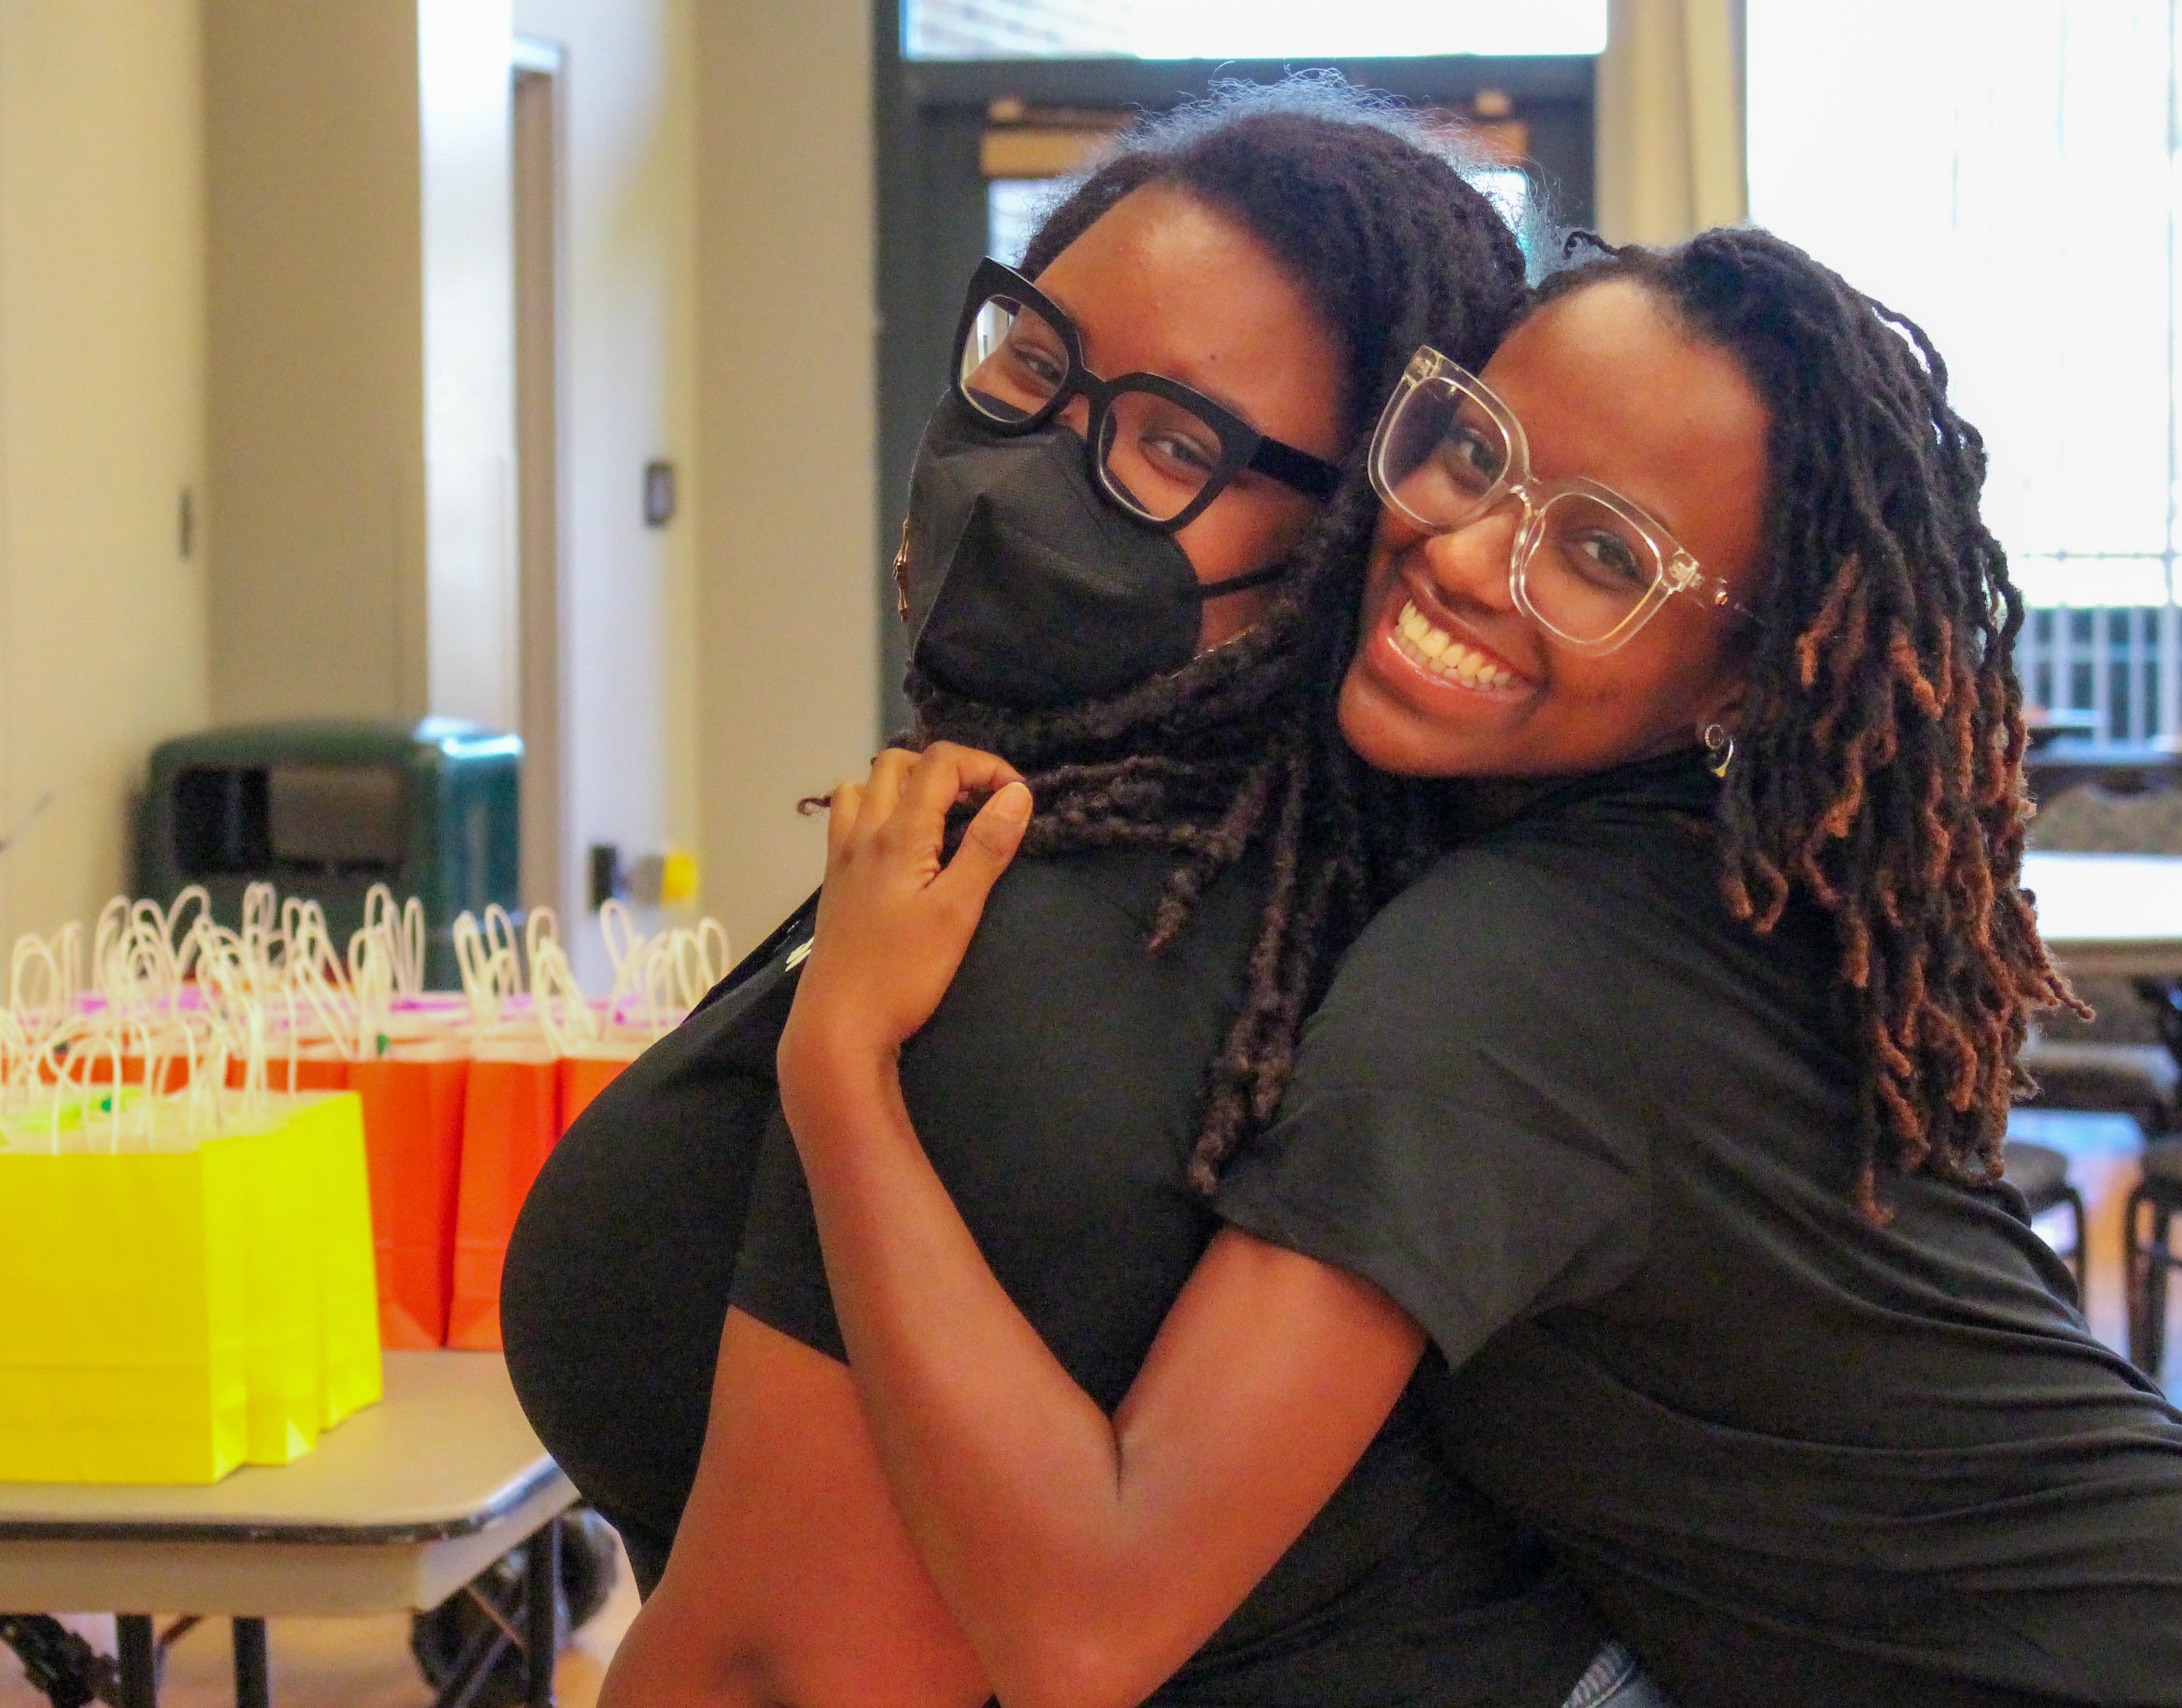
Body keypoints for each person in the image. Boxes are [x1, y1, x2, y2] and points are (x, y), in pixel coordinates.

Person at [778, 227, 2182, 1706]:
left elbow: (1088, 1623)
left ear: (1740, 683)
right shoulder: (1672, 892)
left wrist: (838, 1068)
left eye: (1602, 559)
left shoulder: (1515, 983)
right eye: (1472, 453)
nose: (1466, 554)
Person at [503, 83, 1628, 1708]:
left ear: (1346, 549)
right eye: (1033, 362)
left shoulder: (1069, 969)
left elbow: (787, 1672)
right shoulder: (1038, 860)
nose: (1030, 467)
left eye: (1174, 444)